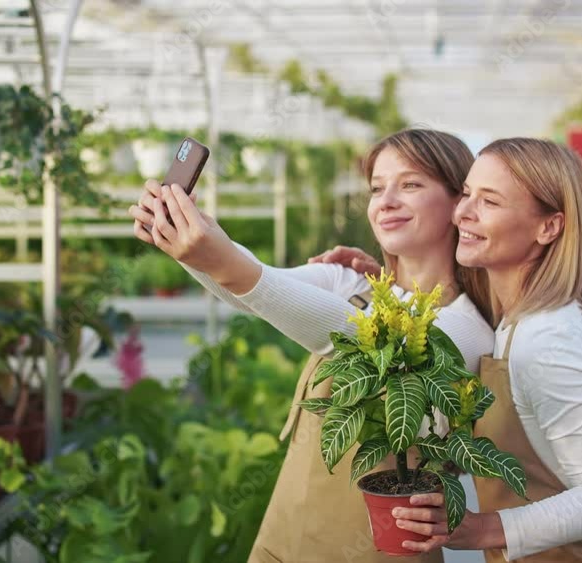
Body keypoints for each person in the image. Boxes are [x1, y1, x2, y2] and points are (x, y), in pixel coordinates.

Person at [127, 129, 495, 563]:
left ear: (459, 202)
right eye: (377, 188)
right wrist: (189, 240)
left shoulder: (465, 329)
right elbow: (256, 289)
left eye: (411, 185)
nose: (387, 200)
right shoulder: (352, 282)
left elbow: (359, 337)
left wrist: (216, 256)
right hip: (291, 530)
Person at [317, 138, 582, 562]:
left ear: (548, 227)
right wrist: (388, 275)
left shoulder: (548, 340)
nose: (463, 213)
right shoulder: (515, 318)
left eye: (489, 201)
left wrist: (482, 528)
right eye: (467, 193)